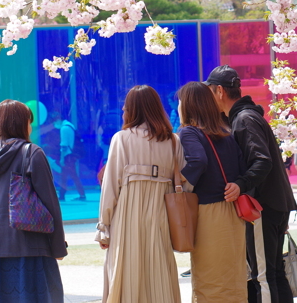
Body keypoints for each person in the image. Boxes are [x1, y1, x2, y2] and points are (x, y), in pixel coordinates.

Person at [206, 65, 297, 303]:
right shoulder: (248, 116)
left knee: (262, 277)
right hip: (274, 205)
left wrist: (240, 184)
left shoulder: (244, 120)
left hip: (261, 207)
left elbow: (261, 161)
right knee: (275, 273)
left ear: (219, 91)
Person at [97, 85, 183, 303]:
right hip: (160, 215)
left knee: (126, 273)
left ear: (133, 110)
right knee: (158, 273)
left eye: (126, 108)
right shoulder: (173, 141)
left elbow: (110, 188)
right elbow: (184, 184)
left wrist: (104, 227)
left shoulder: (121, 139)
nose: (124, 112)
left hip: (127, 216)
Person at [0, 99, 66, 302]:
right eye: (28, 121)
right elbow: (51, 203)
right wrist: (58, 247)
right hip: (31, 247)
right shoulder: (32, 153)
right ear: (21, 124)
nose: (30, 126)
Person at [176, 81, 247, 303]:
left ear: (188, 105)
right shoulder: (226, 133)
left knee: (209, 280)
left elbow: (197, 160)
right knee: (233, 278)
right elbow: (241, 168)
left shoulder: (189, 133)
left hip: (209, 215)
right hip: (233, 213)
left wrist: (180, 181)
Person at [54, 110, 86, 202]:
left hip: (68, 157)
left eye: (55, 121)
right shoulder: (70, 126)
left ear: (58, 119)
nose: (55, 124)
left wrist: (61, 159)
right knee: (66, 176)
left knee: (71, 176)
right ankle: (63, 195)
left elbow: (64, 145)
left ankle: (78, 194)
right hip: (71, 156)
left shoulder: (64, 128)